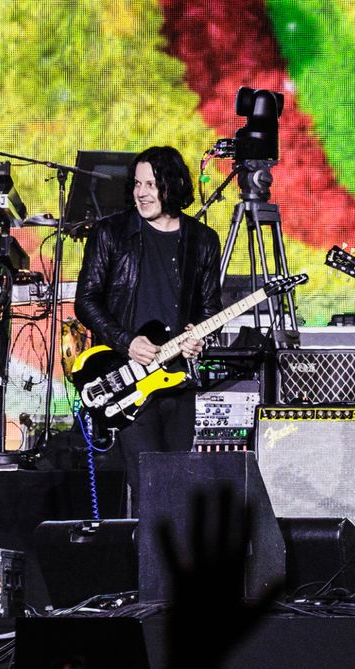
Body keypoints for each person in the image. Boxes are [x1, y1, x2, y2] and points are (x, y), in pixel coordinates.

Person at [75, 146, 222, 512]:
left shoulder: (202, 240)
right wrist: (127, 343)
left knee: (177, 487)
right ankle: (148, 567)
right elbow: (86, 300)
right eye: (138, 184)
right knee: (149, 490)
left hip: (177, 381)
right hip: (131, 379)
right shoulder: (111, 233)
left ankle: (172, 565)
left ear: (172, 186)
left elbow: (210, 309)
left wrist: (199, 339)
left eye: (151, 184)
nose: (142, 193)